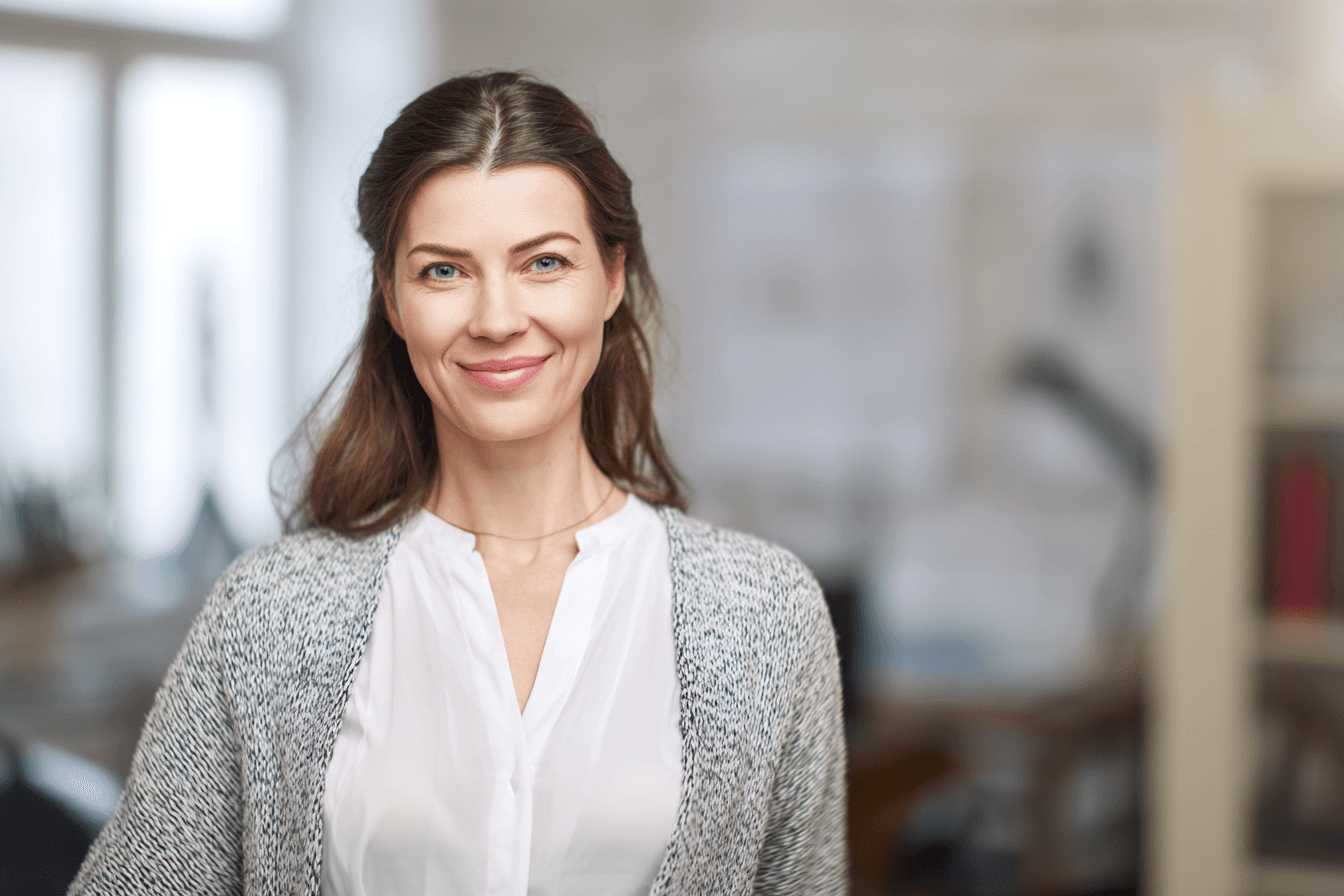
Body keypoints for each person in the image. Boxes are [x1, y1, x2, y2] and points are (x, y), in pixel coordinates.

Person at [69, 70, 847, 895]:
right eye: (445, 271)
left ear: (612, 280)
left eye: (544, 262)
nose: (498, 318)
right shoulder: (270, 611)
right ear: (394, 299)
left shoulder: (764, 613)